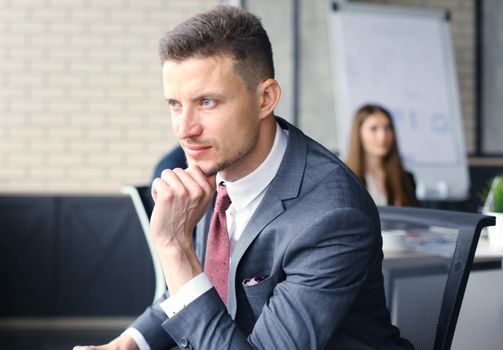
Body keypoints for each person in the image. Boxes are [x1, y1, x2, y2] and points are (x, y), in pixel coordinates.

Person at [74, 6, 413, 350]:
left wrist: (175, 247)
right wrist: (126, 344)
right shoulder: (214, 173)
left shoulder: (331, 215)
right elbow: (194, 284)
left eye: (207, 102)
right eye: (175, 104)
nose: (184, 129)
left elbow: (189, 277)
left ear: (265, 98)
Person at [345, 104, 418, 207]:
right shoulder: (345, 178)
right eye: (374, 129)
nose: (383, 136)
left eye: (387, 128)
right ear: (359, 134)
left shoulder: (406, 179)